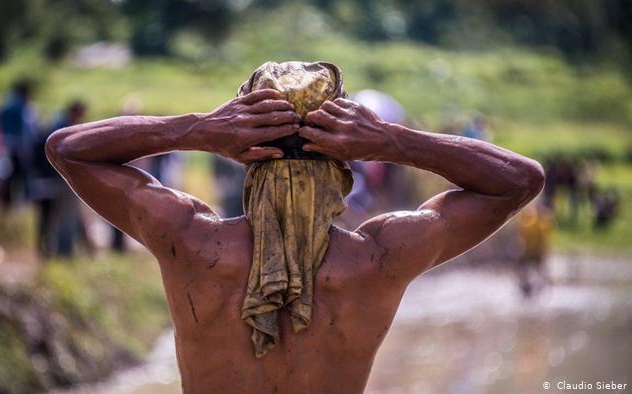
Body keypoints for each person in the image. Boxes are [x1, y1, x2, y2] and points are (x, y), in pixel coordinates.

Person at [45, 61, 544, 393]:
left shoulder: (191, 240)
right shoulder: (378, 260)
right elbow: (520, 180)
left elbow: (65, 149)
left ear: (245, 157)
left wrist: (195, 129)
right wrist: (392, 142)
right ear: (341, 166)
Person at [32, 101, 87, 258]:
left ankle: (52, 251)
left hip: (51, 178)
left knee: (51, 218)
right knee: (56, 217)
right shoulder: (63, 130)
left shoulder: (55, 126)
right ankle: (60, 252)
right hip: (56, 178)